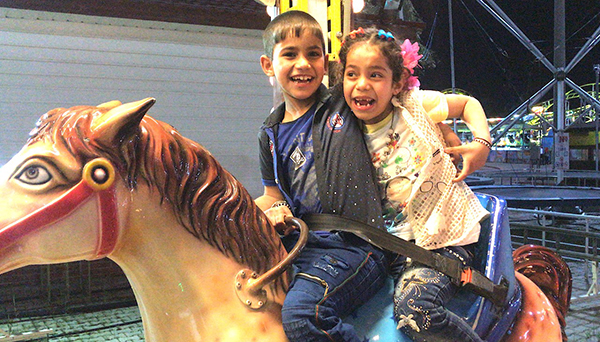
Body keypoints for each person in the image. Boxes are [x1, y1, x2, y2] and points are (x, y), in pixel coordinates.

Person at [336, 27, 491, 341]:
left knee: (415, 310)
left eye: (375, 75)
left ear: (396, 84)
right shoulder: (339, 127)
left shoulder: (415, 105)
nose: (361, 85)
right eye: (352, 74)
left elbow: (467, 104)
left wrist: (481, 142)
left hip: (442, 239)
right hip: (385, 248)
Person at [255, 11, 388, 342]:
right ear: (268, 65)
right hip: (304, 243)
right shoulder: (269, 133)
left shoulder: (344, 103)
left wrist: (455, 125)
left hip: (358, 244)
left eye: (312, 53)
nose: (303, 63)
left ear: (325, 63)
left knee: (303, 316)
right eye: (290, 54)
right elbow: (273, 194)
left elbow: (403, 102)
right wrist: (257, 212)